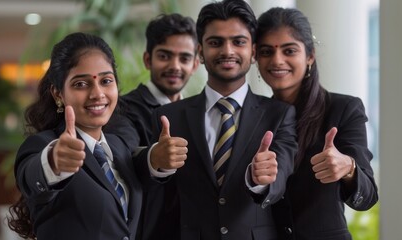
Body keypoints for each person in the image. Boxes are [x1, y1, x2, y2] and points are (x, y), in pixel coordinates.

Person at [140, 0, 298, 239]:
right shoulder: (168, 117)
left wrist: (263, 180)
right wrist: (157, 164)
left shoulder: (279, 114)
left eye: (238, 42)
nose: (227, 51)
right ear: (201, 53)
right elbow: (157, 197)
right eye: (216, 42)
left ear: (253, 51)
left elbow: (282, 174)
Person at [255, 7, 379, 240]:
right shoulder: (253, 116)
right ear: (256, 58)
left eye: (289, 50)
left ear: (309, 55)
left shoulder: (343, 109)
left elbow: (368, 196)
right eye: (266, 51)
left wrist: (348, 168)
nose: (277, 60)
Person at [7, 32, 143, 240]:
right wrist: (53, 162)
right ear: (58, 93)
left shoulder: (117, 147)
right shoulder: (42, 145)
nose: (97, 93)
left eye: (106, 80)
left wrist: (156, 162)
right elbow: (31, 176)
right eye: (81, 84)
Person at [104, 13, 199, 240]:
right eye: (165, 56)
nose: (175, 66)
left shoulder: (200, 111)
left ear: (195, 64)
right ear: (148, 59)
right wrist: (152, 157)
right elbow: (121, 154)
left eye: (184, 58)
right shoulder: (123, 108)